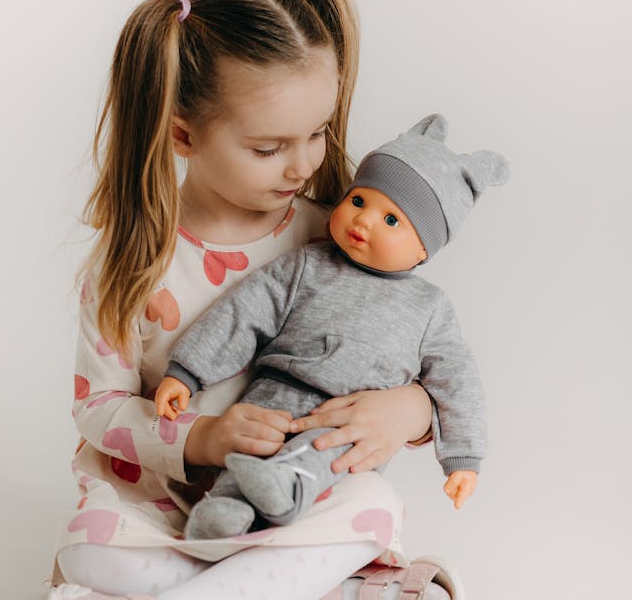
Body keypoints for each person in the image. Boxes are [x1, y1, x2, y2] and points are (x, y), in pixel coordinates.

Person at [35, 0, 465, 600]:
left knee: (374, 509)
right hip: (167, 506)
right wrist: (198, 438)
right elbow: (97, 408)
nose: (304, 164)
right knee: (88, 554)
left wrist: (413, 409)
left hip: (297, 494)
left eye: (319, 134)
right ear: (183, 133)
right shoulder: (132, 263)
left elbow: (418, 349)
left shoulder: (334, 239)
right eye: (269, 147)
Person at [156, 114, 508, 537]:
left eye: (391, 220)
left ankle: (287, 493)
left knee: (323, 453)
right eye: (359, 201)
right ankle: (222, 514)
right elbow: (244, 312)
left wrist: (463, 458)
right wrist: (188, 372)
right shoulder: (307, 264)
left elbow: (457, 382)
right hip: (277, 394)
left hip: (351, 423)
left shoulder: (430, 308)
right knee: (252, 450)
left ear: (422, 250)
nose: (363, 221)